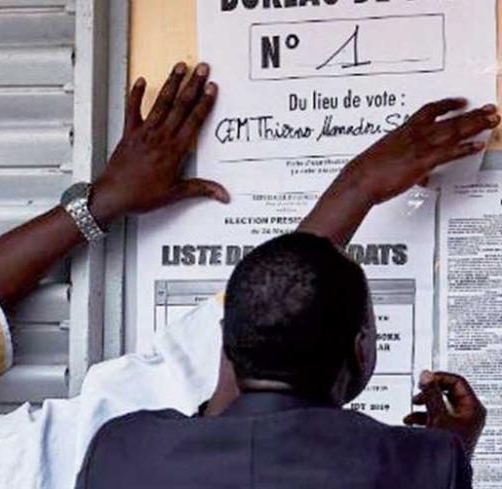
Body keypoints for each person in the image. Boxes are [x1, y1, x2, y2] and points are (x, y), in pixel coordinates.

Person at [0, 61, 496, 487]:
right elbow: (169, 387)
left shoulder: (121, 451)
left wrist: (98, 204)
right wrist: (357, 187)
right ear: (363, 352)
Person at [74, 99, 498, 488]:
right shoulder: (425, 465)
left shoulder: (119, 452)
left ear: (226, 345)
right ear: (361, 352)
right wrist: (450, 452)